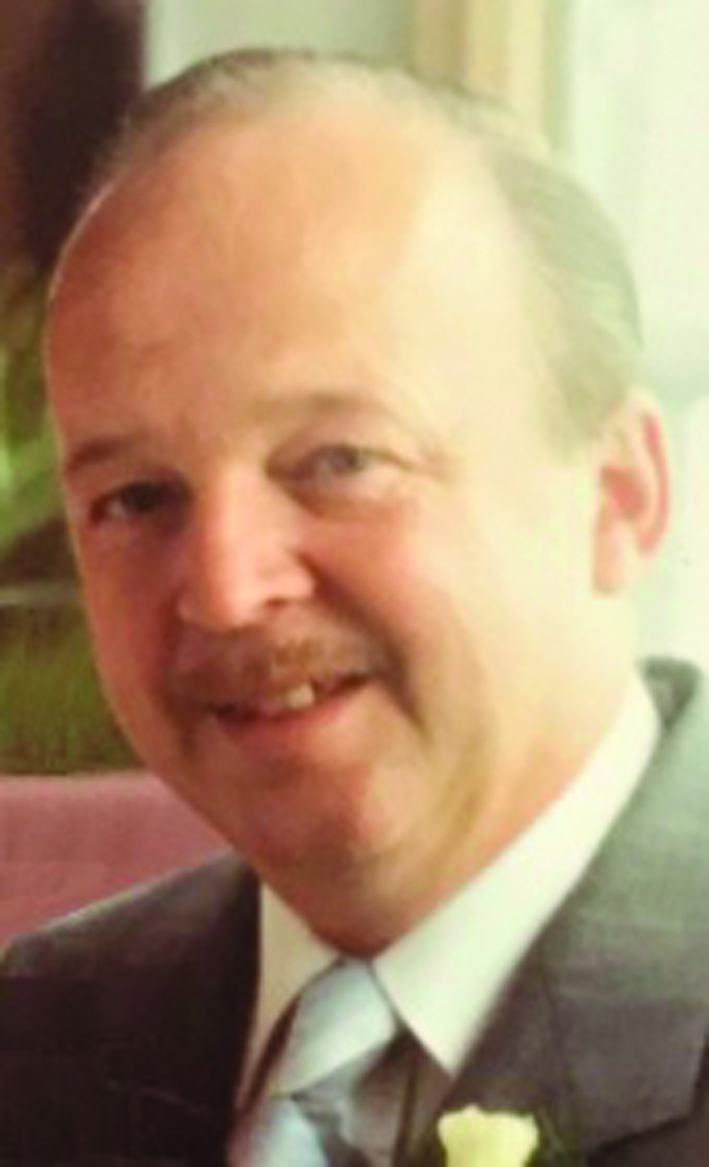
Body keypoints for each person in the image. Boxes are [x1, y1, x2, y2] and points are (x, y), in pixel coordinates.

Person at [0, 48, 705, 1166]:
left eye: (339, 459)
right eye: (135, 498)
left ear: (618, 492)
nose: (226, 592)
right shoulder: (32, 1046)